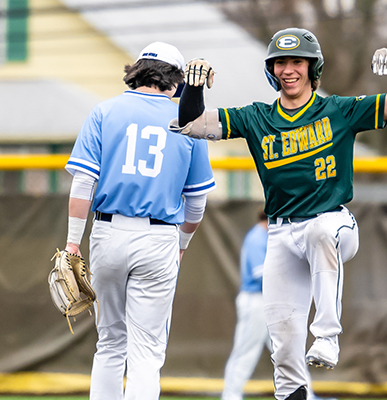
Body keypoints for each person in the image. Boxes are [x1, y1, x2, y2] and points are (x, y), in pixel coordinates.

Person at [171, 27, 387, 400]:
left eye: (297, 61)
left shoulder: (337, 110)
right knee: (285, 349)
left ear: (312, 67)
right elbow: (191, 124)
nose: (288, 69)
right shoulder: (256, 118)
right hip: (282, 234)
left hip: (334, 222)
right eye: (281, 62)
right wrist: (193, 87)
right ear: (272, 69)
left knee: (322, 232)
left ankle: (327, 336)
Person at [63, 41, 216, 400]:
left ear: (138, 71)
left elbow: (83, 182)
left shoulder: (105, 111)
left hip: (107, 232)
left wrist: (72, 243)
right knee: (146, 351)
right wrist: (181, 244)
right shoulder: (187, 122)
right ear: (176, 81)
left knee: (111, 343)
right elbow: (196, 202)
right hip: (159, 238)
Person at [222, 210, 333, 400]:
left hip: (270, 302)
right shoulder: (256, 237)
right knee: (244, 353)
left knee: (291, 351)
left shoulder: (264, 236)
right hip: (255, 301)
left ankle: (308, 396)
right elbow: (260, 274)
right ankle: (230, 397)